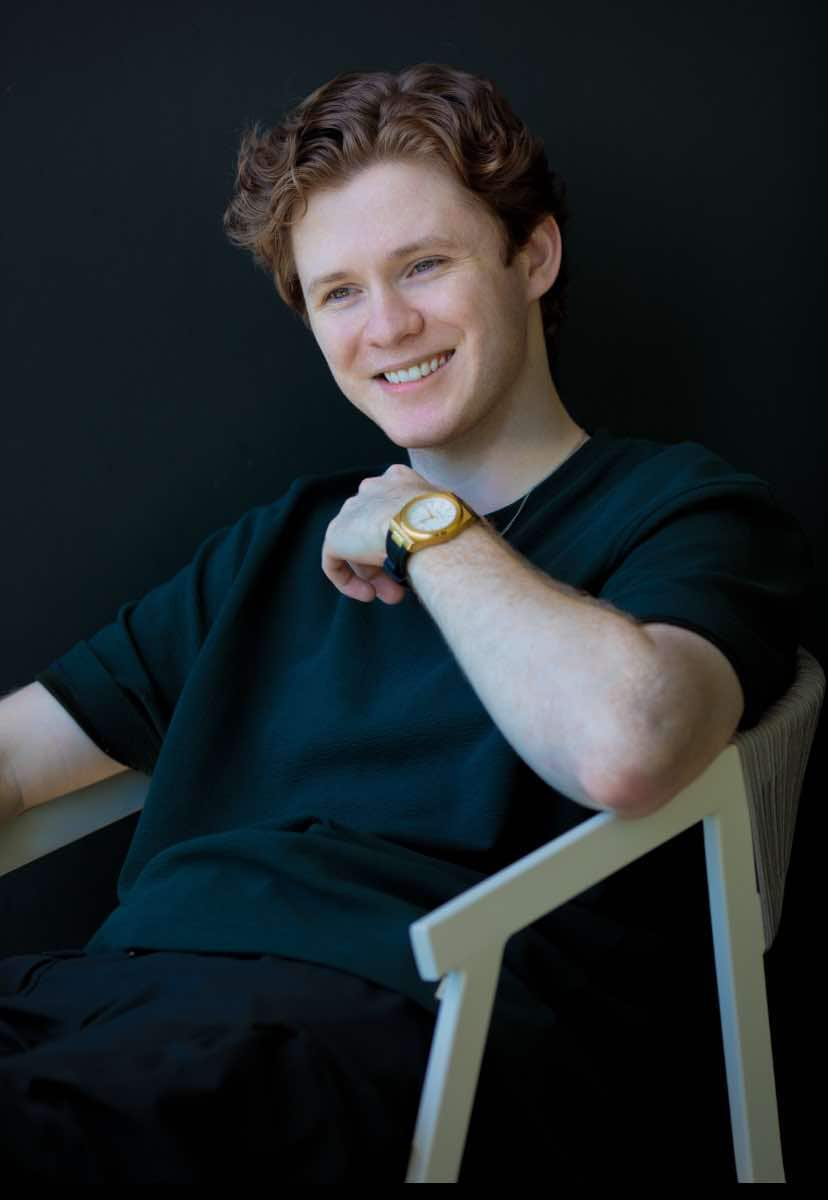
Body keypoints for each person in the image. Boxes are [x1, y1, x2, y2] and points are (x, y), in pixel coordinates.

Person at [0, 62, 812, 1182]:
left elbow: (630, 748)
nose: (387, 326)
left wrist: (432, 526)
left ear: (533, 256)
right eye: (339, 292)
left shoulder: (687, 513)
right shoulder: (279, 544)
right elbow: (16, 753)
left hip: (375, 1027)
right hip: (108, 999)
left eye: (423, 265)